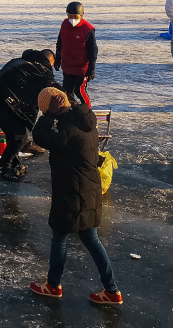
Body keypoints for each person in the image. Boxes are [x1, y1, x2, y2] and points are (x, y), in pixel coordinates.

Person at [29, 87, 123, 305]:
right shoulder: (84, 119)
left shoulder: (67, 131)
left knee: (60, 237)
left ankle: (53, 286)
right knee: (91, 238)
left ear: (51, 109)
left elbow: (40, 136)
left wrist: (48, 116)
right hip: (89, 190)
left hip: (72, 192)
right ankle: (111, 289)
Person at [0, 49, 58, 182]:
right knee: (20, 138)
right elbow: (53, 90)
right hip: (2, 101)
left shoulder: (20, 61)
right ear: (49, 61)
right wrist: (71, 105)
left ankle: (13, 163)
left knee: (14, 133)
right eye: (51, 64)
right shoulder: (41, 70)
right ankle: (2, 167)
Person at [54, 1, 98, 107]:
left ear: (81, 15)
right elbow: (60, 42)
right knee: (67, 92)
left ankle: (87, 113)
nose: (72, 19)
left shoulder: (88, 29)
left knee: (80, 91)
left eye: (75, 16)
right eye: (70, 16)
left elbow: (93, 50)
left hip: (81, 69)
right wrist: (58, 59)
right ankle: (69, 113)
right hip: (67, 66)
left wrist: (91, 68)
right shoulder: (65, 24)